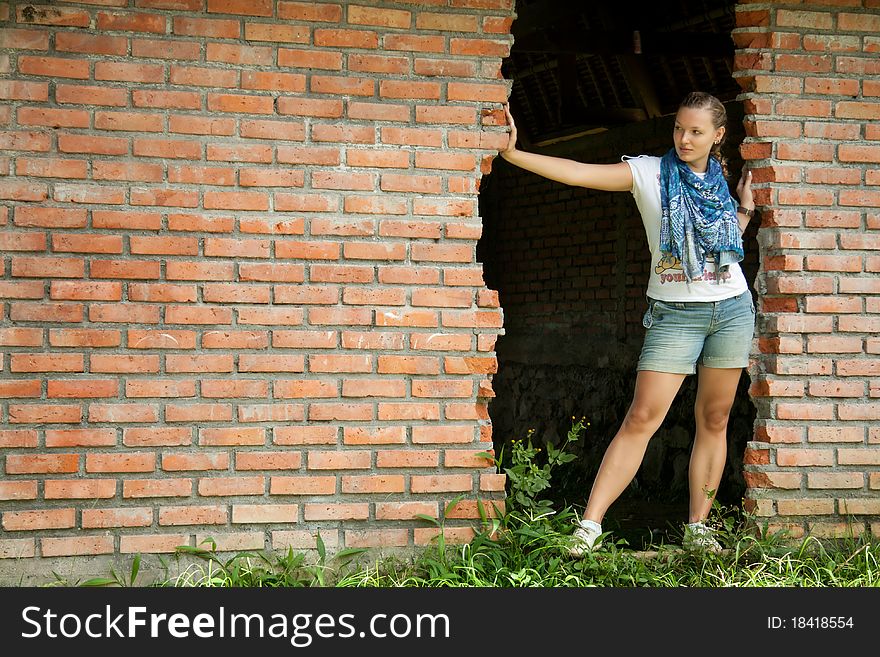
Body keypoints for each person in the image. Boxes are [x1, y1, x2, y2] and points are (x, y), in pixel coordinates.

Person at [498, 91, 756, 555]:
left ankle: (699, 529)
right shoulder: (649, 172)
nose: (683, 138)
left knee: (714, 419)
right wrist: (515, 154)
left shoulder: (722, 181)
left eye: (696, 131)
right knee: (641, 417)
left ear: (718, 135)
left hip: (732, 308)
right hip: (675, 315)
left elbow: (725, 241)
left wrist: (745, 211)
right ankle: (589, 527)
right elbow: (579, 173)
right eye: (679, 128)